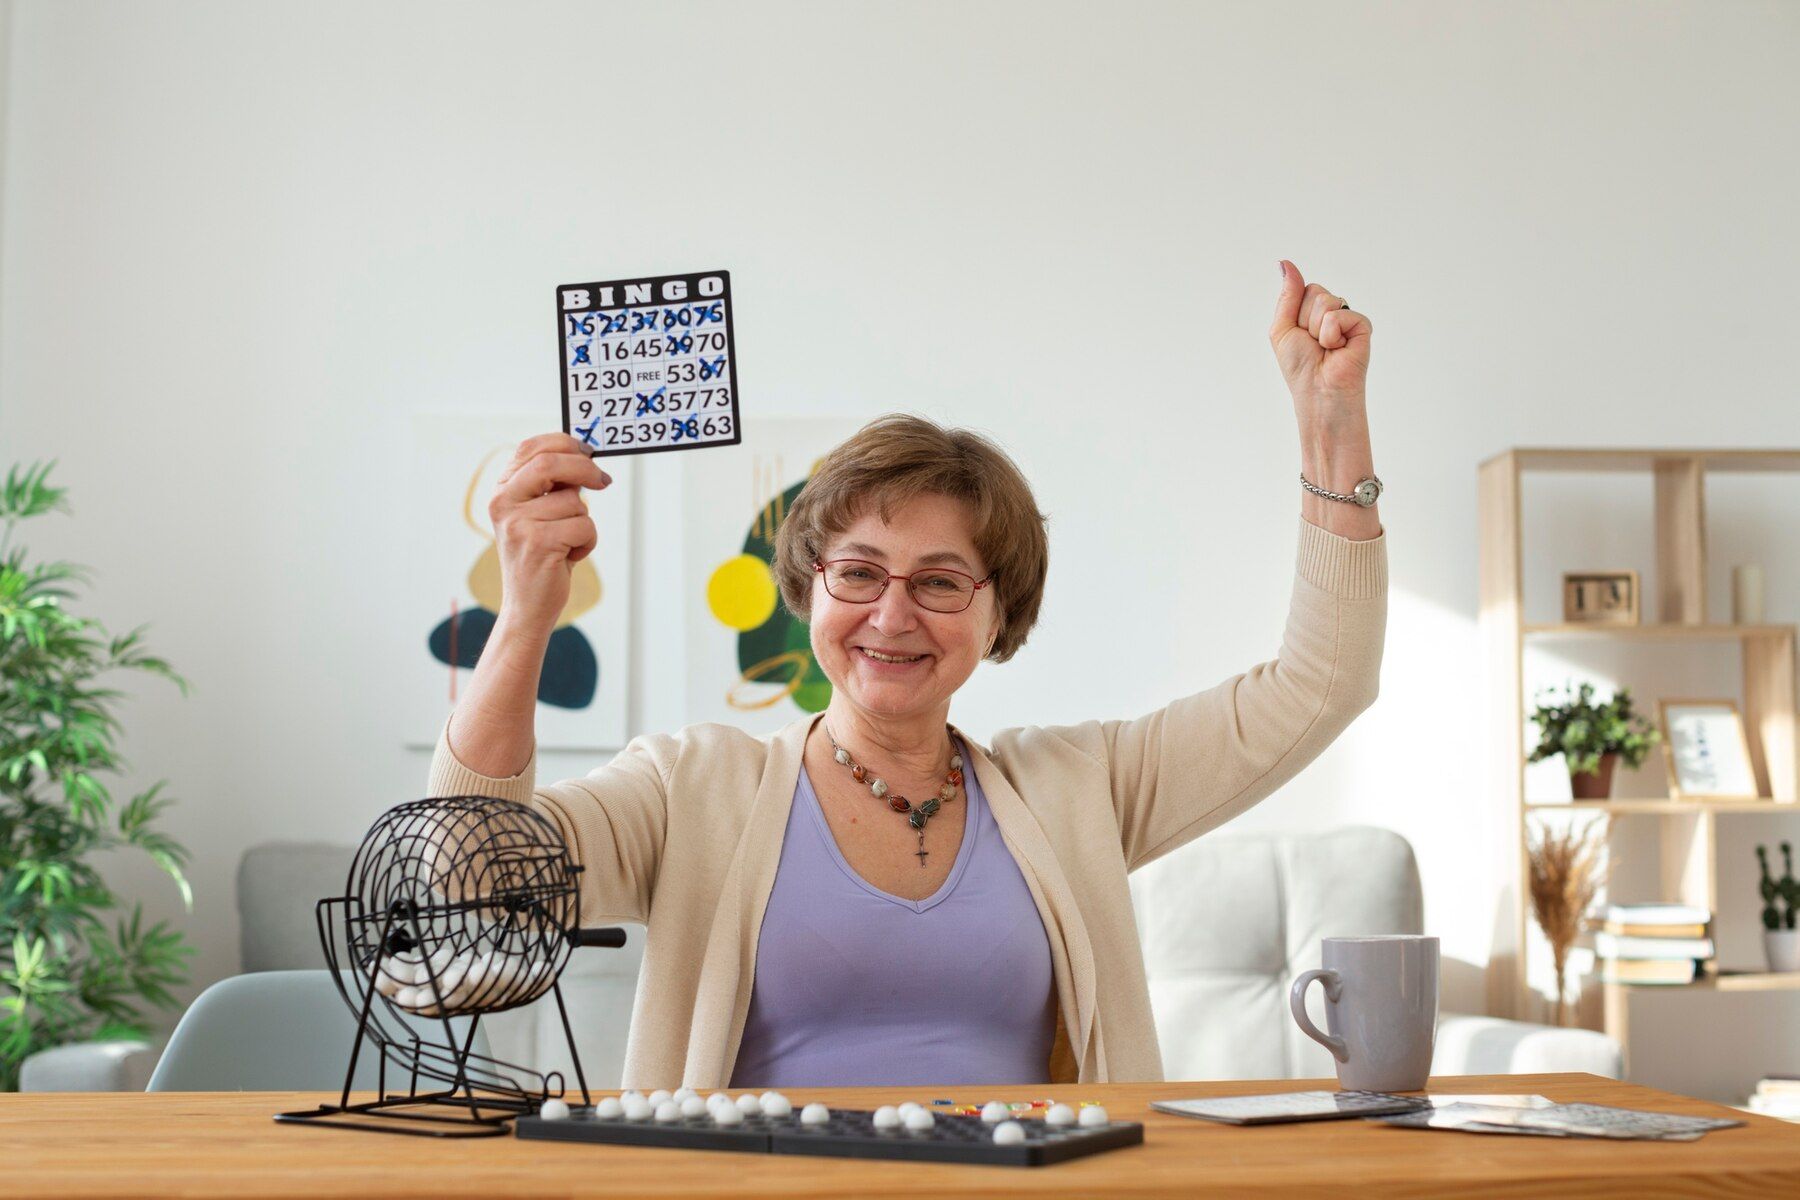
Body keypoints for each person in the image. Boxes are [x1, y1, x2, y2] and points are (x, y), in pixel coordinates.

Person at [428, 261, 1386, 1088]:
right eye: (857, 574)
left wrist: (1331, 424)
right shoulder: (691, 789)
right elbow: (464, 880)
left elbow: (1320, 685)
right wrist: (525, 618)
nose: (891, 615)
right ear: (808, 590)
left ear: (997, 610)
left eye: (938, 581)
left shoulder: (1078, 788)